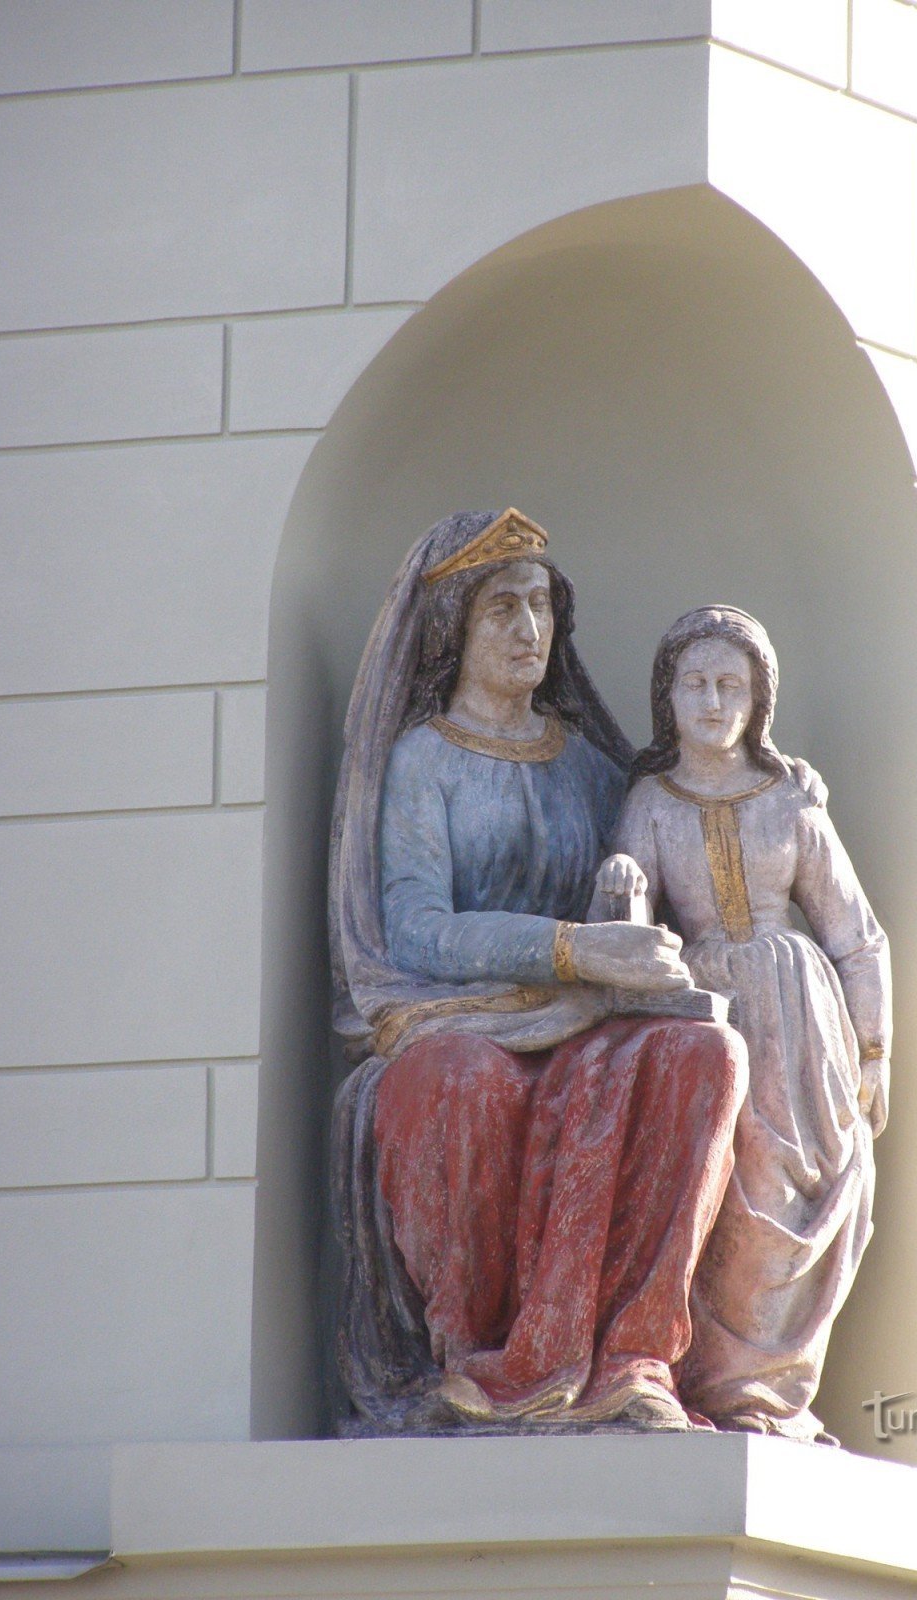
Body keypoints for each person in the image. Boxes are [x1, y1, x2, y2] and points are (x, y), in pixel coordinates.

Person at [328, 509, 750, 1434]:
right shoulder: (423, 761)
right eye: (502, 610)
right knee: (460, 1085)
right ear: (455, 631)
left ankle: (634, 1357)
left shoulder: (595, 771)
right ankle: (483, 1366)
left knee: (705, 1059)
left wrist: (624, 903)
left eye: (541, 607)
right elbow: (418, 929)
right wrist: (569, 947)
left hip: (588, 1021)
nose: (530, 630)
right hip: (462, 1022)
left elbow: (648, 887)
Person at [600, 606, 891, 1442]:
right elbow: (629, 918)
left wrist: (873, 1051)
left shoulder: (791, 802)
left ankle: (769, 1396)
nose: (711, 699)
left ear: (758, 699)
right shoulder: (650, 802)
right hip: (706, 1010)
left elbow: (855, 935)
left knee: (793, 1191)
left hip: (800, 1022)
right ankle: (706, 1385)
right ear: (668, 698)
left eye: (730, 684)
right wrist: (620, 880)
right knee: (724, 1190)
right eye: (694, 683)